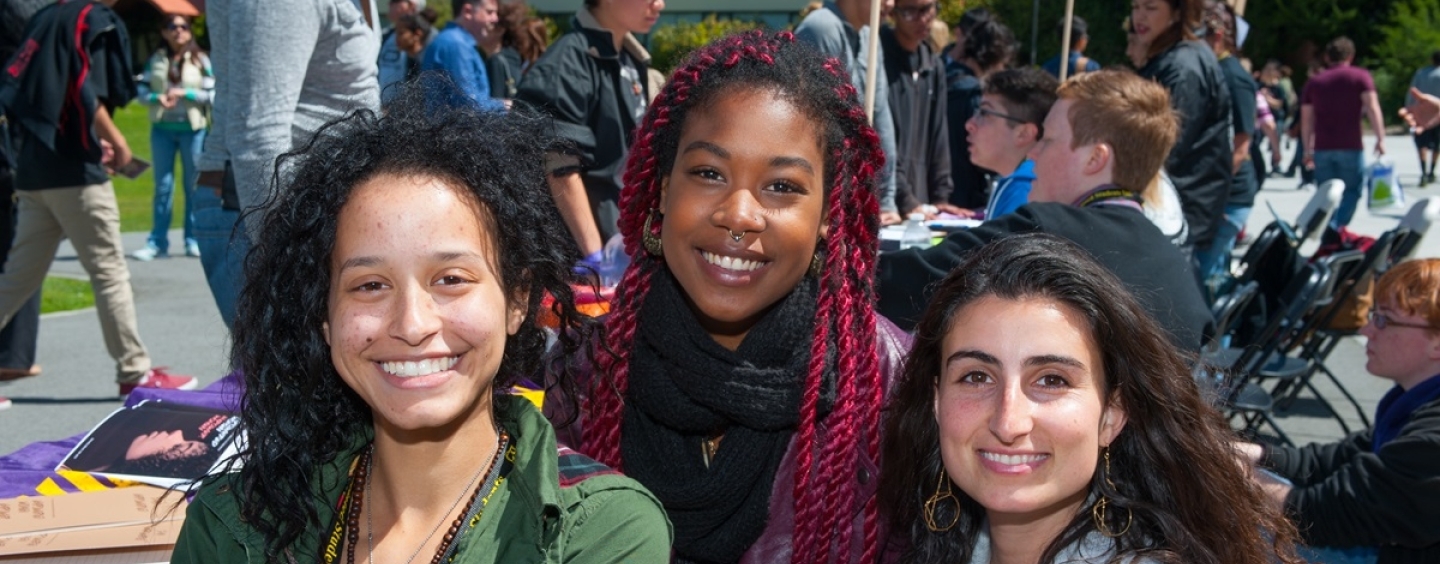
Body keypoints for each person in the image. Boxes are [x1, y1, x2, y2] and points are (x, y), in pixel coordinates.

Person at [170, 88, 672, 563]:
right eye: (369, 285)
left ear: (518, 299)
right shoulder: (233, 525)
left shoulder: (601, 532)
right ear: (323, 316)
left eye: (451, 279)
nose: (412, 324)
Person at [549, 30, 911, 563]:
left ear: (828, 219)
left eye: (783, 186)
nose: (739, 214)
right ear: (662, 190)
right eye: (709, 173)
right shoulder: (584, 374)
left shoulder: (888, 385)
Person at [878, 233, 1303, 564]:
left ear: (1112, 414)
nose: (1008, 422)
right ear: (936, 401)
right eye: (975, 376)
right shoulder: (933, 542)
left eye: (1051, 380)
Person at [877, 69, 1213, 353]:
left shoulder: (1045, 229)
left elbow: (903, 284)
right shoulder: (1178, 266)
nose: (1033, 154)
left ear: (1095, 159)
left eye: (1048, 140)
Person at [0, 0, 195, 395]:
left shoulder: (44, 16)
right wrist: (118, 143)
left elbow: (25, 87)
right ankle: (135, 372)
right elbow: (88, 94)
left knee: (16, 279)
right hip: (77, 175)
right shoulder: (95, 20)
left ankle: (133, 369)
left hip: (35, 169)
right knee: (109, 273)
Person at [1238, 258, 1440, 564]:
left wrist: (1232, 476)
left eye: (1384, 320)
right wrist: (1254, 454)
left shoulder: (1432, 439)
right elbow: (1340, 459)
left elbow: (1322, 516)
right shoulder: (1413, 402)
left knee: (1234, 527)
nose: (1366, 329)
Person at [196, 0, 380, 330]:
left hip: (315, 213)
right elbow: (257, 134)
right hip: (267, 213)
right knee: (287, 378)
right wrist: (288, 258)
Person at [516, 0, 664, 271]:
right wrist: (596, 256)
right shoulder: (566, 64)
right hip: (584, 255)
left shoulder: (631, 60)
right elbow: (559, 165)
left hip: (625, 241)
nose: (660, 4)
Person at [1131, 0, 1232, 258]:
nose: (1140, 16)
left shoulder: (1183, 66)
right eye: (1135, 7)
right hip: (1178, 205)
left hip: (1183, 210)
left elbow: (1167, 145)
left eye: (1151, 8)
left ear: (1177, 13)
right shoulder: (1170, 56)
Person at [796, 0, 902, 225]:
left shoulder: (870, 36)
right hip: (833, 203)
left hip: (860, 198)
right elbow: (818, 124)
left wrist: (886, 200)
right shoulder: (821, 28)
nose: (891, 4)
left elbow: (881, 119)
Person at [132, 14, 213, 262]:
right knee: (163, 187)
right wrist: (158, 98)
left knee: (193, 186)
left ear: (190, 31)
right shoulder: (155, 59)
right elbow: (142, 91)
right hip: (163, 129)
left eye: (183, 27)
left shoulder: (201, 59)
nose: (178, 31)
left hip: (193, 129)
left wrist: (185, 92)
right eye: (172, 27)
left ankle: (193, 240)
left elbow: (212, 93)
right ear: (164, 33)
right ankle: (157, 242)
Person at [1192, 0, 1256, 297]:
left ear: (1217, 37)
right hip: (1215, 197)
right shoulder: (1210, 70)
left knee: (1209, 280)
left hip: (1228, 200)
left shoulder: (1235, 78)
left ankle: (1217, 343)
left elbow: (1241, 148)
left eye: (1198, 36)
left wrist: (1208, 196)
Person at [1301, 36, 1386, 229]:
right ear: (1351, 56)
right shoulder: (1360, 77)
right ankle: (1337, 229)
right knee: (1351, 192)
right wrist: (1380, 138)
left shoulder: (1314, 82)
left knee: (1325, 195)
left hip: (1322, 147)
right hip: (1351, 144)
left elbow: (1307, 120)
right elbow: (1372, 107)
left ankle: (1329, 231)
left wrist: (1307, 149)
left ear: (1326, 57)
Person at [881, 0, 954, 218]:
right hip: (886, 201)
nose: (922, 19)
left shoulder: (932, 64)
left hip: (920, 202)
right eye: (910, 11)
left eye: (927, 9)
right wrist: (905, 198)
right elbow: (880, 137)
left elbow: (939, 133)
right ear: (893, 12)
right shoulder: (878, 58)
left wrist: (941, 197)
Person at [961, 67, 1057, 220]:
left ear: (1023, 134)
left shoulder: (1022, 185)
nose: (970, 124)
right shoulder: (1042, 179)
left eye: (984, 113)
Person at [944, 17, 1014, 213]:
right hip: (968, 196)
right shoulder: (976, 95)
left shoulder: (940, 78)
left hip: (940, 190)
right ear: (995, 56)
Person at [420, 0, 504, 111]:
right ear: (467, 11)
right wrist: (505, 106)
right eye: (489, 12)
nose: (495, 19)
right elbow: (469, 106)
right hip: (453, 127)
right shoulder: (457, 45)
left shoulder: (455, 42)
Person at [377, 0, 425, 104]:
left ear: (411, 5)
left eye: (395, 1)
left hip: (405, 112)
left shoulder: (427, 38)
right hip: (382, 109)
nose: (389, 4)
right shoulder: (386, 35)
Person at [1407, 51, 1440, 186]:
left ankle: (1423, 172)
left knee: (1422, 144)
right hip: (1438, 114)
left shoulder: (1421, 73)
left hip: (1421, 115)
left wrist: (1409, 110)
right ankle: (1432, 171)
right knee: (1437, 145)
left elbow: (1412, 92)